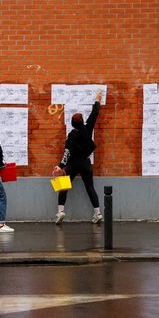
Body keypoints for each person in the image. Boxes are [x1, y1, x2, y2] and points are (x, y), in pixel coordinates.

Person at [52, 89, 103, 224]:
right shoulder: (88, 129)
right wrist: (98, 99)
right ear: (82, 122)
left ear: (72, 124)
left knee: (64, 186)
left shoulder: (72, 135)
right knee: (90, 188)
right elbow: (94, 114)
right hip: (86, 164)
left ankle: (61, 212)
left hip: (73, 165)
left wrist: (60, 165)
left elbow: (67, 152)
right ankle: (97, 213)